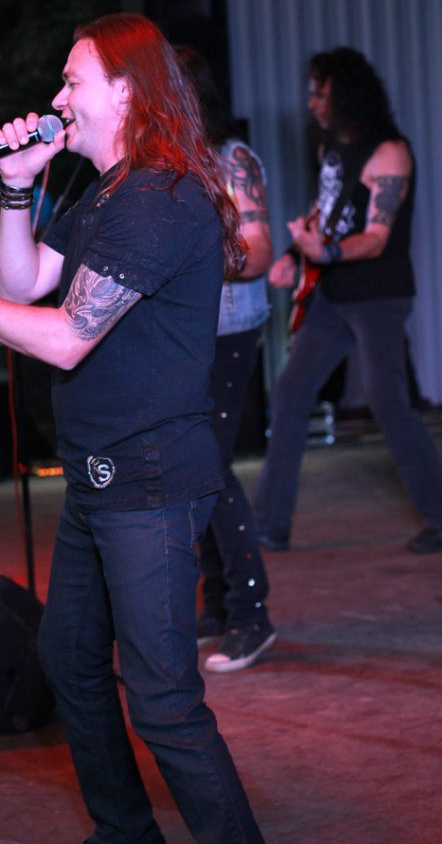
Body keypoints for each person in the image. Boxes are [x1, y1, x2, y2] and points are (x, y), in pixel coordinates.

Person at [0, 13, 266, 844]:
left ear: (128, 91)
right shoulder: (106, 191)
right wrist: (15, 186)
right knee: (68, 657)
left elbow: (67, 337)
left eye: (72, 81)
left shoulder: (163, 196)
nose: (56, 97)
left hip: (150, 479)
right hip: (98, 475)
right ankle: (124, 832)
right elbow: (26, 280)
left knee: (164, 703)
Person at [254, 46, 442, 555]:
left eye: (321, 93)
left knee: (387, 402)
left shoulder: (390, 152)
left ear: (347, 93)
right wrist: (296, 254)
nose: (312, 103)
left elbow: (377, 238)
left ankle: (439, 514)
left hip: (379, 295)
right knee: (291, 394)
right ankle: (270, 525)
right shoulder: (328, 147)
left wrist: (327, 251)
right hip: (334, 295)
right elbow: (327, 210)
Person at [177, 47, 276, 673]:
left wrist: (195, 260)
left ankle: (251, 614)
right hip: (190, 334)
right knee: (197, 465)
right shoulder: (170, 161)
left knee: (210, 465)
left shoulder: (231, 158)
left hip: (230, 330)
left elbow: (260, 249)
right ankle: (216, 603)